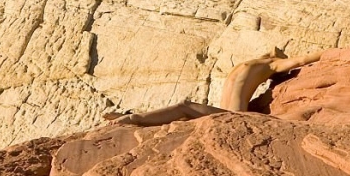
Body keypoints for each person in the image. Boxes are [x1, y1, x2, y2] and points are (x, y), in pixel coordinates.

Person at [104, 48, 324, 125]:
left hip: (232, 115)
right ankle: (134, 117)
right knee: (184, 113)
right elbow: (299, 60)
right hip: (229, 115)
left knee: (185, 107)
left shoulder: (259, 64)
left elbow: (300, 60)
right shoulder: (262, 63)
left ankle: (134, 118)